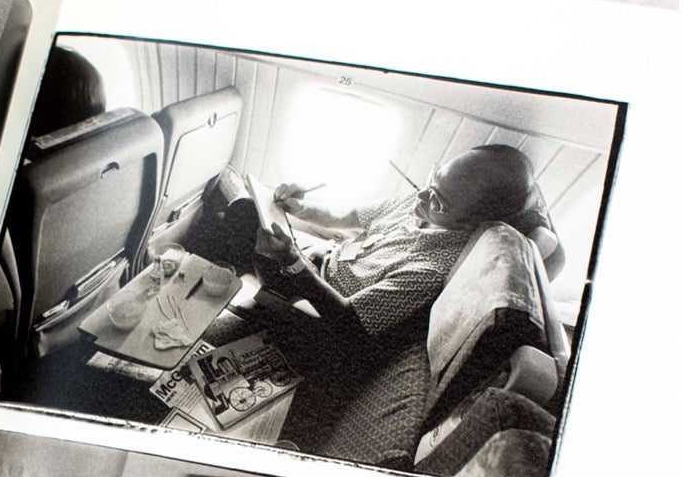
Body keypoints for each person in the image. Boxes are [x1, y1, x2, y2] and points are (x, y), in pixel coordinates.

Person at [187, 144, 536, 341]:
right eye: (434, 178)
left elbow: (347, 322)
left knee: (238, 213)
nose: (422, 195)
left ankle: (198, 279)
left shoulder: (430, 270)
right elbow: (349, 216)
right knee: (237, 211)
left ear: (471, 222)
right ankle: (213, 256)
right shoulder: (424, 201)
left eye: (438, 200)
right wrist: (300, 208)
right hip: (320, 258)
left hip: (313, 298)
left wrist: (293, 262)